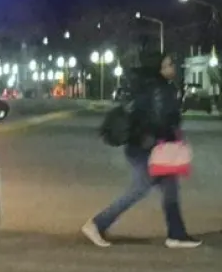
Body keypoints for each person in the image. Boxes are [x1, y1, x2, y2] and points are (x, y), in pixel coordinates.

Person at [82, 51, 202, 249]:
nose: (173, 67)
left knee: (170, 189)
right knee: (140, 188)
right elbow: (159, 121)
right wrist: (173, 133)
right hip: (146, 148)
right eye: (169, 64)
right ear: (159, 69)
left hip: (149, 146)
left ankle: (176, 234)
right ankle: (97, 224)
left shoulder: (153, 86)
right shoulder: (159, 89)